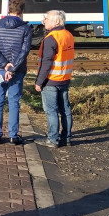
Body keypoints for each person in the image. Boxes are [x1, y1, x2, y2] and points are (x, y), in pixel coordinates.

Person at [0, 0, 32, 145]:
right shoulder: (25, 28)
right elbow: (24, 51)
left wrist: (4, 64)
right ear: (22, 11)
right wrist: (12, 68)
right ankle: (13, 135)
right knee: (14, 102)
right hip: (16, 71)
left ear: (9, 10)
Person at [34, 10, 75, 148]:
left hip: (51, 80)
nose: (44, 20)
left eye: (47, 18)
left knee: (51, 111)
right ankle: (67, 138)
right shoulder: (68, 35)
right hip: (65, 78)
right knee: (65, 110)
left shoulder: (51, 38)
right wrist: (46, 28)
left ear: (56, 21)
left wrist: (39, 82)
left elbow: (46, 62)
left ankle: (53, 139)